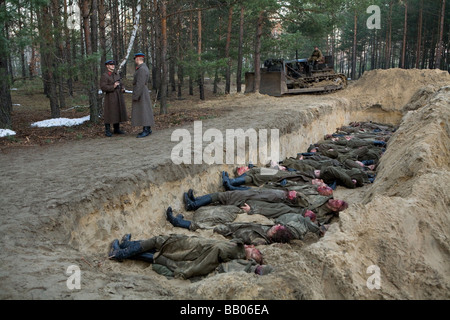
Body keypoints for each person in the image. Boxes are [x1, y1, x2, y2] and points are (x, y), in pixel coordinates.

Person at [108, 233, 272, 279]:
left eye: (256, 253)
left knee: (159, 241)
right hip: (193, 245)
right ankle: (127, 245)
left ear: (249, 259)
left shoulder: (233, 253)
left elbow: (209, 258)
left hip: (190, 248)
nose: (255, 249)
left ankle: (119, 253)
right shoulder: (236, 249)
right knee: (159, 243)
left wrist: (188, 270)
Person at [165, 206, 294, 245]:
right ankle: (182, 220)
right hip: (234, 226)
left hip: (228, 232)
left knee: (203, 227)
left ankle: (177, 222)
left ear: (276, 234)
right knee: (210, 220)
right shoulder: (267, 231)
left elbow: (242, 239)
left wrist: (228, 232)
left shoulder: (260, 241)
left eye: (277, 228)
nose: (276, 225)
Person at [99, 60, 128, 137]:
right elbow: (103, 87)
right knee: (109, 113)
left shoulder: (116, 74)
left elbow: (121, 83)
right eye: (111, 64)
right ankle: (107, 130)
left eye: (113, 64)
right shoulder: (104, 75)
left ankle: (116, 129)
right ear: (107, 66)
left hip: (118, 95)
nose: (113, 66)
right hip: (110, 96)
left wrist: (123, 88)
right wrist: (113, 86)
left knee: (117, 112)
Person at [131, 53, 155, 138]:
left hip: (141, 93)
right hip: (142, 91)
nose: (135, 61)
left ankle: (146, 130)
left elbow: (140, 84)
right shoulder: (142, 68)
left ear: (137, 59)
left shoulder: (142, 69)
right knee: (145, 111)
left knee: (144, 111)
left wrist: (136, 95)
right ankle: (147, 129)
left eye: (135, 59)